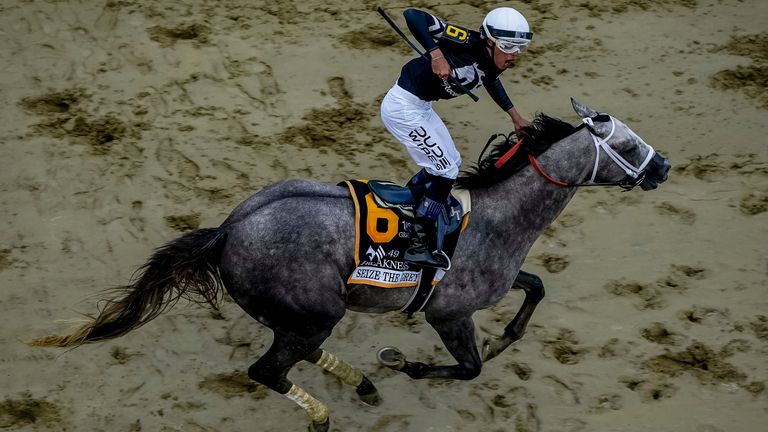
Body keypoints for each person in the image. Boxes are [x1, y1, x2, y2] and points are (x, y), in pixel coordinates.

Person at [380, 6, 534, 269]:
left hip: (422, 107)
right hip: (403, 107)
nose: (514, 56)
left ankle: (413, 207)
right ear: (489, 40)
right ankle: (418, 243)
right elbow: (412, 15)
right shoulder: (465, 39)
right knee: (445, 169)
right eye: (509, 46)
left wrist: (515, 117)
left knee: (451, 160)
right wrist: (436, 54)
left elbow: (491, 81)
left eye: (520, 48)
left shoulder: (493, 60)